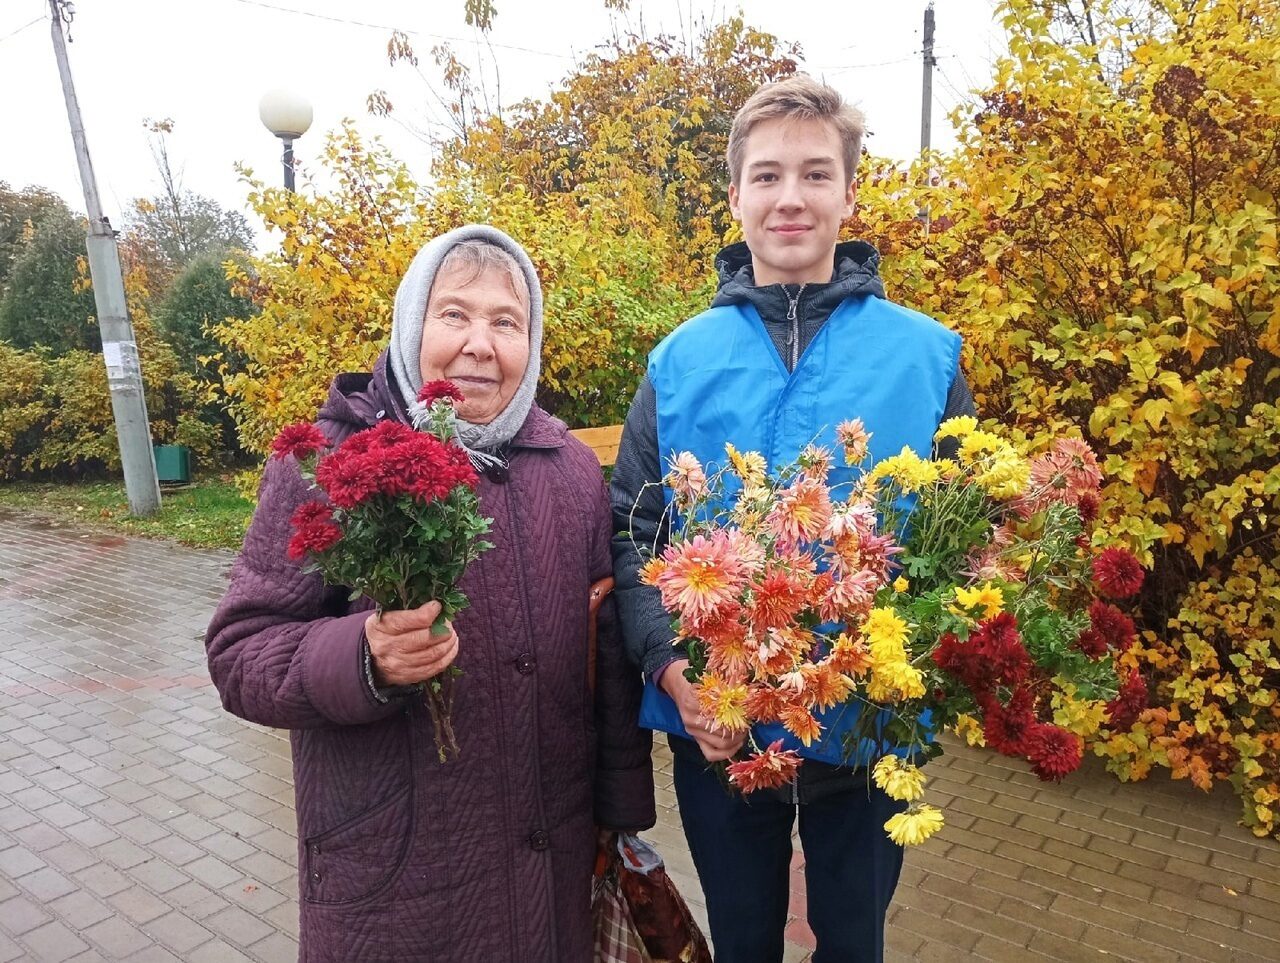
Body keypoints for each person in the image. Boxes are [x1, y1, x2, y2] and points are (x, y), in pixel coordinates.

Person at [207, 225, 655, 963]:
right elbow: (239, 649)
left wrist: (620, 816)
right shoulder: (333, 461)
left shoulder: (571, 471)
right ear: (413, 322)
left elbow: (602, 656)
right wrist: (362, 656)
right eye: (455, 314)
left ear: (531, 340)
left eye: (505, 322)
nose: (480, 343)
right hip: (396, 872)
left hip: (555, 869)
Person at [610, 76, 977, 963]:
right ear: (735, 196)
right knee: (743, 942)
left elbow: (966, 544)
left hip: (867, 723)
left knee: (854, 944)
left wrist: (926, 653)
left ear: (851, 193)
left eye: (816, 174)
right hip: (719, 719)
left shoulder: (926, 357)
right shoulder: (679, 359)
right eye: (767, 176)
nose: (790, 197)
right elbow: (633, 530)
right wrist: (674, 673)